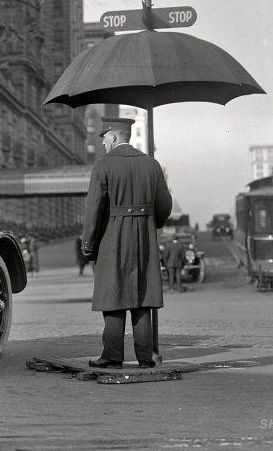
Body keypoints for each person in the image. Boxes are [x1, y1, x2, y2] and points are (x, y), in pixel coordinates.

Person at [81, 117, 172, 370]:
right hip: (144, 237)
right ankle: (145, 356)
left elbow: (94, 210)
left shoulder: (103, 165)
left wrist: (89, 244)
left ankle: (112, 356)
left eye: (104, 139)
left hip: (112, 237)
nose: (103, 144)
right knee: (143, 296)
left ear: (113, 137)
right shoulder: (152, 164)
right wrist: (152, 222)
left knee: (113, 294)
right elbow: (165, 205)